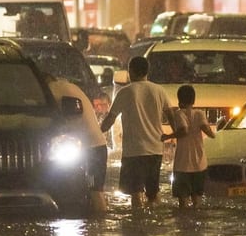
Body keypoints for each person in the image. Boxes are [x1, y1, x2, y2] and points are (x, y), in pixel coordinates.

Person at [100, 56, 175, 209]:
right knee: (153, 194)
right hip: (155, 150)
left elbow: (110, 119)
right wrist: (176, 135)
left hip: (134, 152)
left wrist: (97, 132)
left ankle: (138, 226)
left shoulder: (126, 92)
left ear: (131, 71)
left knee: (135, 194)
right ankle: (155, 224)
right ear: (147, 71)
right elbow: (171, 116)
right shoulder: (159, 90)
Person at [47, 75, 108, 214]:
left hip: (90, 149)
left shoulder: (52, 90)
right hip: (95, 146)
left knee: (94, 190)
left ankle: (99, 222)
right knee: (93, 190)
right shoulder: (69, 86)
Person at [161, 84, 215, 209]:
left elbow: (184, 131)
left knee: (183, 202)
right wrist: (215, 131)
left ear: (180, 100)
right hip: (200, 164)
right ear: (193, 100)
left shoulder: (179, 114)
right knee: (197, 200)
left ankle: (184, 225)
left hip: (183, 165)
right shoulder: (200, 114)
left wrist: (167, 136)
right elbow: (209, 132)